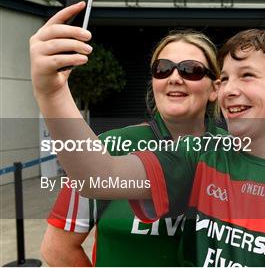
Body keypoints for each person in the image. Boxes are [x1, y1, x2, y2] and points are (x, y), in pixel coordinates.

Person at [30, 7, 265, 266]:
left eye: (247, 76)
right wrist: (52, 90)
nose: (230, 90)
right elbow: (97, 178)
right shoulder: (199, 155)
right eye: (226, 80)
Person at [40, 31, 225, 266]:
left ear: (215, 88)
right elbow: (57, 248)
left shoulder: (237, 152)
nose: (175, 78)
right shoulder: (104, 149)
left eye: (191, 70)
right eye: (163, 69)